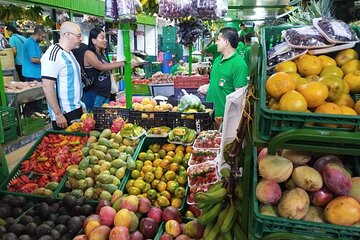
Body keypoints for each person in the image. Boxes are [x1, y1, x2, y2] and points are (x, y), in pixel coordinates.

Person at [41, 21, 85, 130]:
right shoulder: (53, 54)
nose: (81, 39)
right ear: (67, 35)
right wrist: (58, 114)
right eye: (79, 35)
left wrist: (81, 105)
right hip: (64, 113)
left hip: (75, 109)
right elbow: (47, 87)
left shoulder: (69, 53)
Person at [205, 27, 249, 127]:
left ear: (226, 42)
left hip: (224, 120)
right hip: (210, 114)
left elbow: (240, 98)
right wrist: (208, 87)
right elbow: (219, 83)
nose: (216, 43)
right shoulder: (217, 60)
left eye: (218, 40)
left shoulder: (239, 65)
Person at [83, 27, 125, 111]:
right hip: (95, 95)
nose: (105, 40)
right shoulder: (88, 53)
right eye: (102, 38)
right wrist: (122, 63)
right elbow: (101, 66)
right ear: (93, 40)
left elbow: (108, 69)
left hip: (105, 94)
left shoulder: (102, 54)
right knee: (94, 119)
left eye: (105, 37)